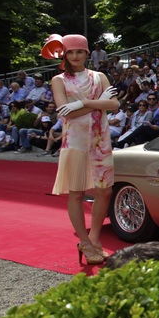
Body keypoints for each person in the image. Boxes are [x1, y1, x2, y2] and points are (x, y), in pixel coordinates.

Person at [43, 33, 120, 266]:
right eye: (71, 52)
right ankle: (85, 242)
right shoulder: (59, 80)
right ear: (65, 54)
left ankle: (95, 237)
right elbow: (65, 112)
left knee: (104, 191)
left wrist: (84, 103)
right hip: (75, 142)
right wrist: (97, 103)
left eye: (79, 51)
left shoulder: (99, 76)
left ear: (87, 53)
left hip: (100, 140)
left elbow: (114, 105)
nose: (75, 56)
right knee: (76, 193)